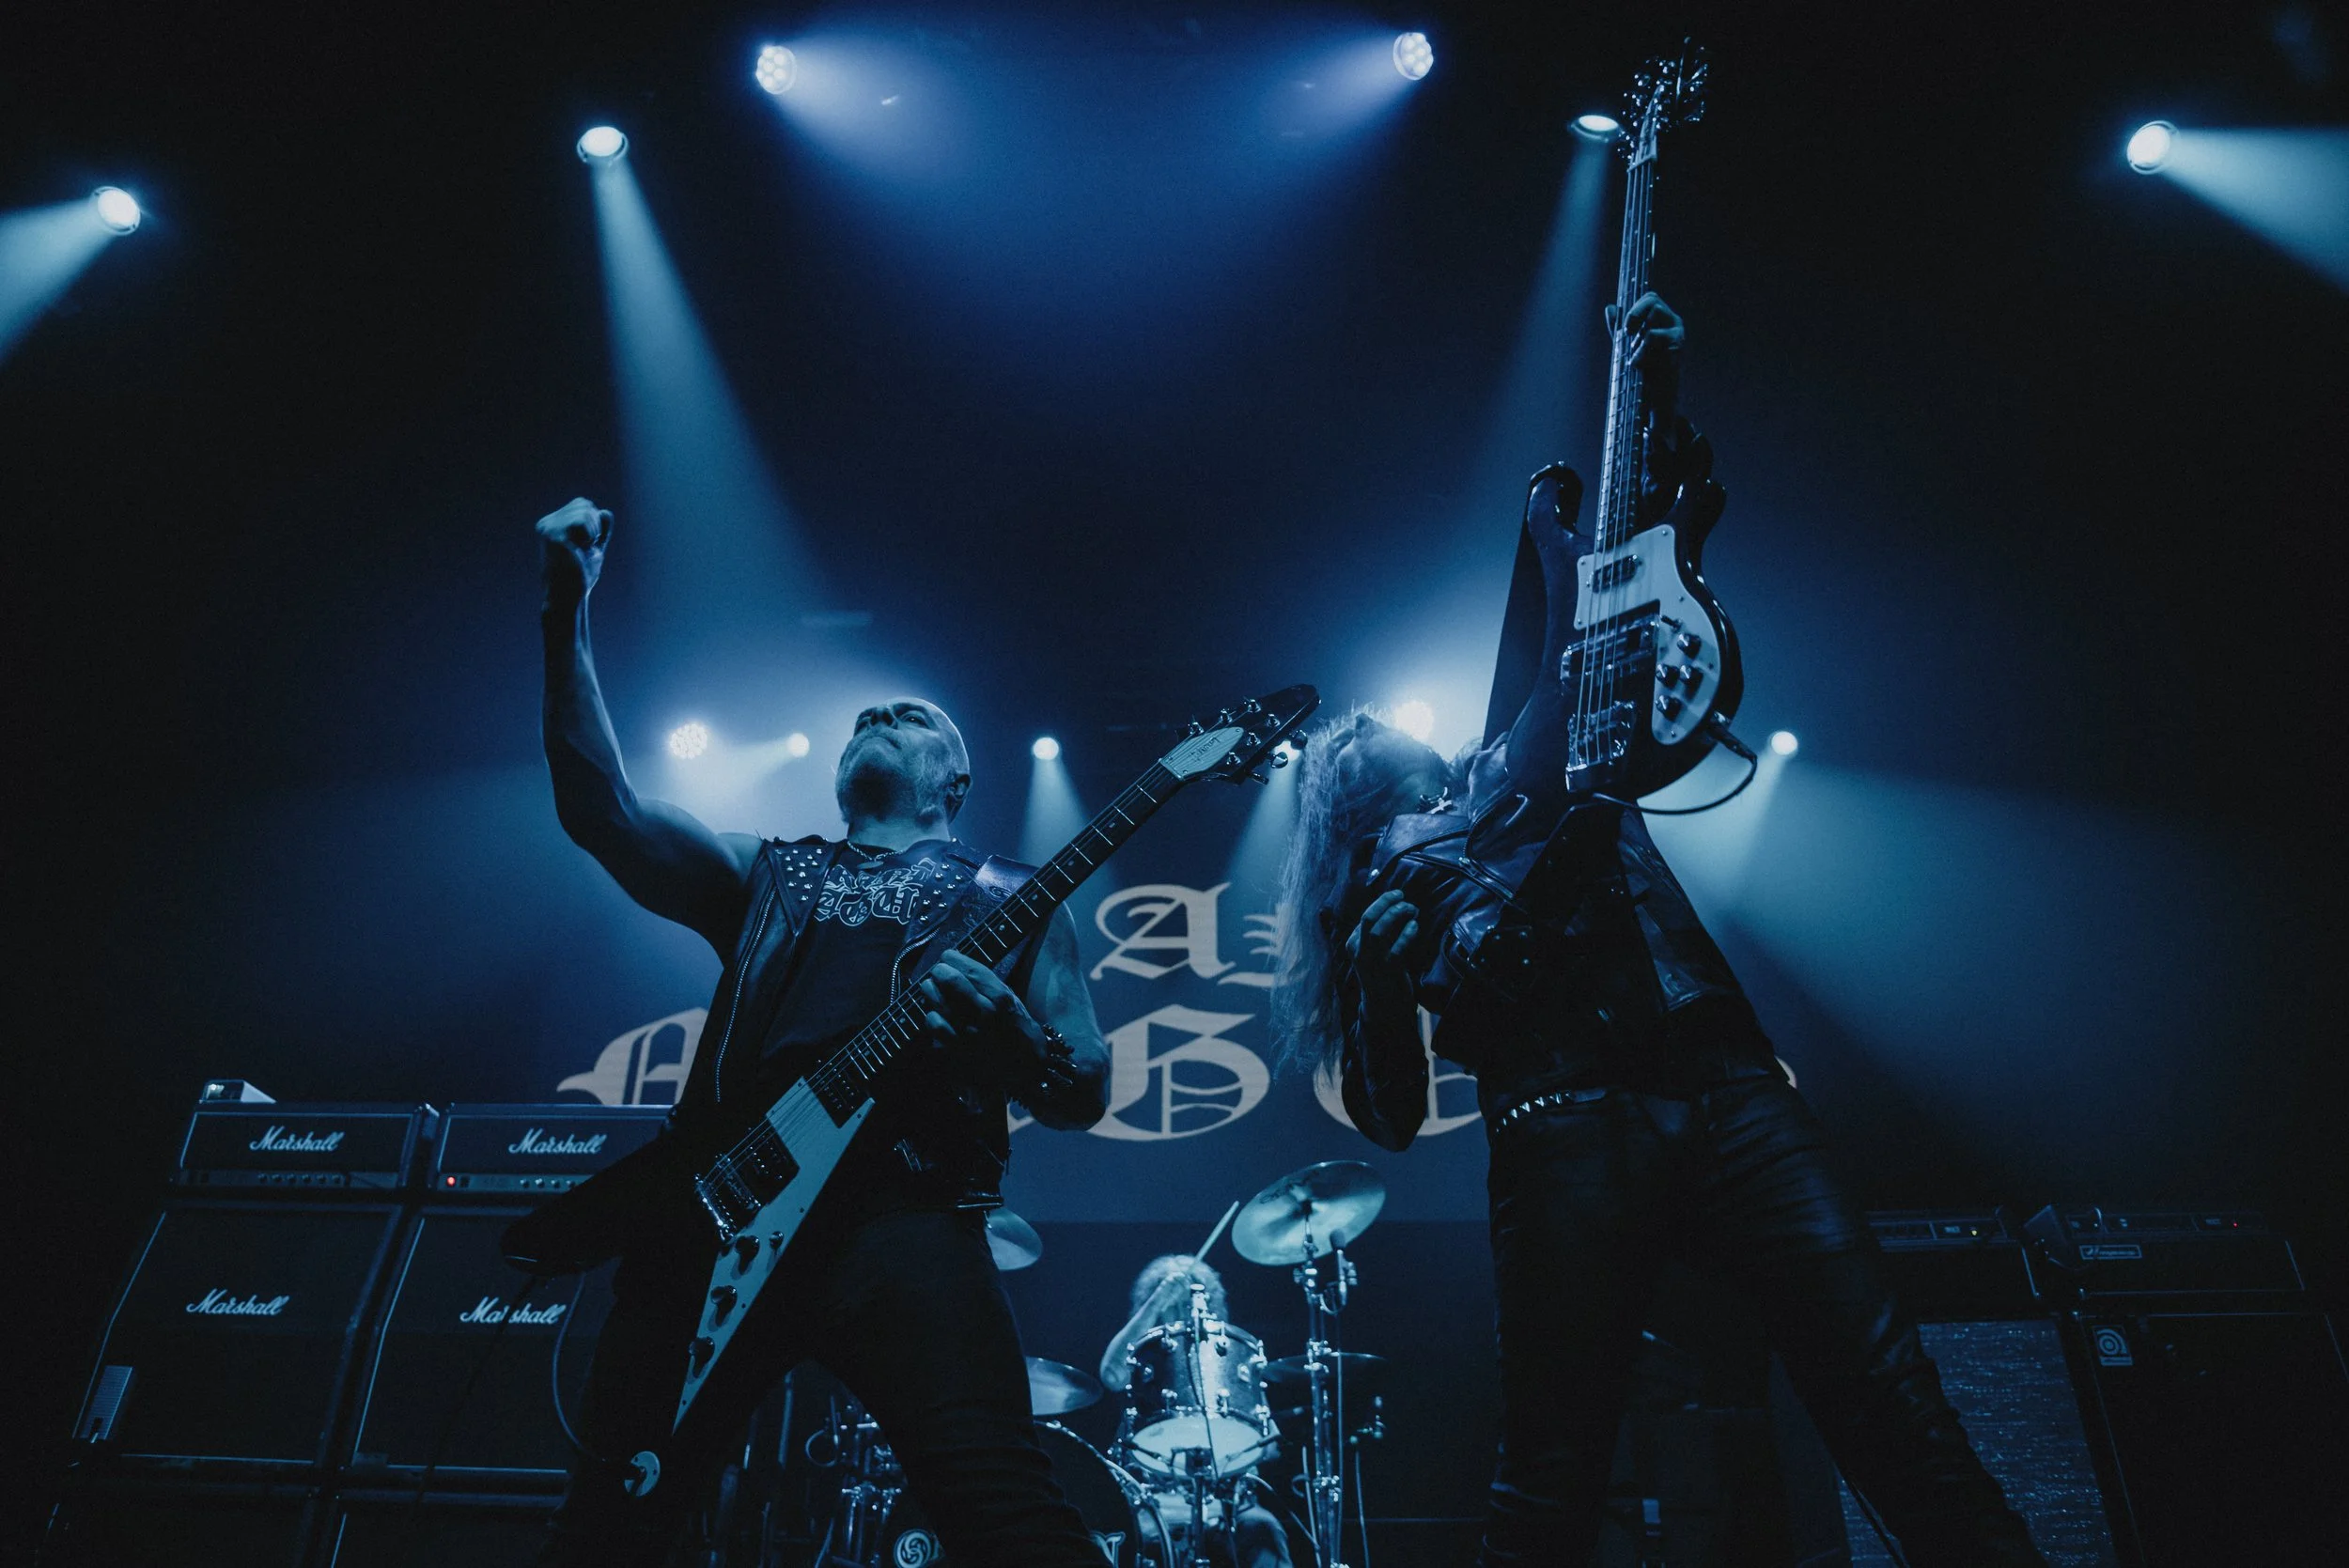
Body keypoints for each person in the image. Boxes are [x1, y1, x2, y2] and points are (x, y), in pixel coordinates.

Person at [1272, 298, 2046, 1567]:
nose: (1380, 727)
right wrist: (1555, 552)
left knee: (1895, 1410)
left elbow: (1575, 651)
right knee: (1554, 1474)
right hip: (1565, 1124)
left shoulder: (1519, 767)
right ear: (1346, 804)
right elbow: (1408, 1089)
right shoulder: (1389, 888)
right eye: (1357, 739)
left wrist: (1655, 393)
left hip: (1724, 1082)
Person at [531, 496, 1115, 1567]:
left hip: (904, 1221)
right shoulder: (767, 870)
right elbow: (599, 807)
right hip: (718, 1214)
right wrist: (565, 608)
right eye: (862, 719)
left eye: (912, 715)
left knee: (1006, 1512)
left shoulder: (1015, 895)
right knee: (608, 1525)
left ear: (959, 778)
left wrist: (1012, 1044)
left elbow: (1083, 1085)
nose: (876, 713)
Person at [1099, 1256, 1294, 1568]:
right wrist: (1156, 1300)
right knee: (1132, 1539)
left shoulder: (1229, 1357)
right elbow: (1111, 1375)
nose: (1179, 1311)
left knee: (1264, 1528)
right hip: (1153, 1505)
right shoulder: (1142, 1358)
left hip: (1229, 1506)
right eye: (1169, 1305)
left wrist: (1233, 1453)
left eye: (1187, 1298)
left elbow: (1269, 1445)